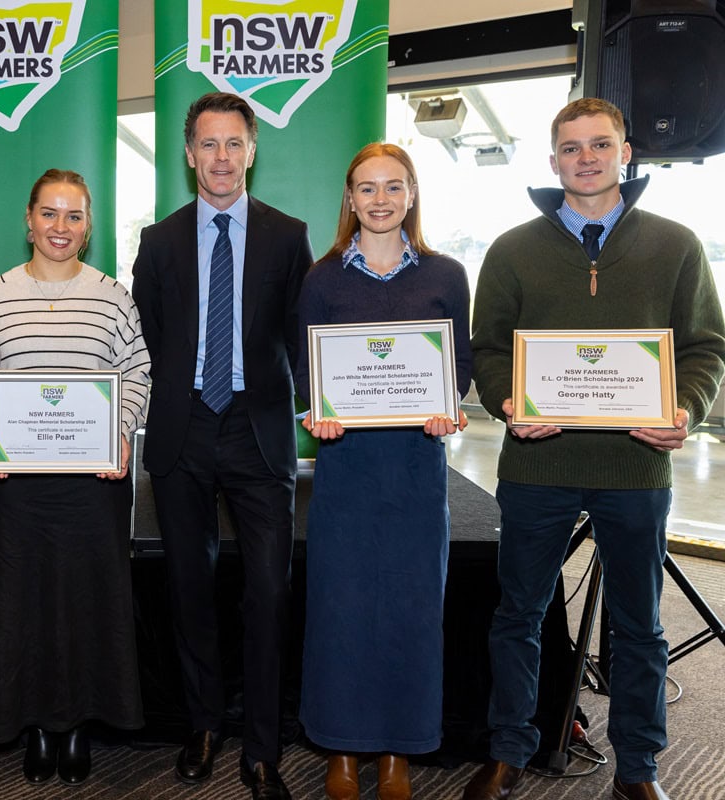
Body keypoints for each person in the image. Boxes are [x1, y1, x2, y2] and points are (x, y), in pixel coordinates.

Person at [463, 98, 725, 800]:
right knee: (518, 617)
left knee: (639, 625)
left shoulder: (676, 244)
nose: (586, 158)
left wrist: (686, 408)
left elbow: (705, 347)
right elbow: (487, 348)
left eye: (599, 144)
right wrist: (507, 401)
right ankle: (510, 750)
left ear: (625, 152)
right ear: (553, 161)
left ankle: (638, 768)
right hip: (536, 468)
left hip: (636, 467)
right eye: (571, 147)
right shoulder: (512, 249)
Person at [132, 91, 313, 800]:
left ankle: (262, 749)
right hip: (183, 432)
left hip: (259, 432)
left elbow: (300, 339)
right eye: (208, 144)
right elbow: (148, 336)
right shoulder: (159, 240)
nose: (221, 158)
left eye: (234, 143)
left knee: (269, 592)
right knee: (190, 588)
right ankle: (203, 726)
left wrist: (319, 405)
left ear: (252, 150)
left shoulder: (287, 236)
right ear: (188, 153)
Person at [0, 168, 151, 785]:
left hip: (93, 482)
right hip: (17, 485)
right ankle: (35, 724)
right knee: (23, 602)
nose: (60, 227)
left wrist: (120, 431)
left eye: (73, 216)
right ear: (28, 219)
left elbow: (138, 373)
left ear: (88, 225)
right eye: (49, 214)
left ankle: (79, 724)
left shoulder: (114, 297)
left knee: (89, 601)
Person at [294, 143, 471, 800]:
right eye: (366, 189)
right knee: (342, 610)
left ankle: (399, 748)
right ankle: (342, 747)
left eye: (392, 187)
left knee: (411, 610)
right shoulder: (322, 279)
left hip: (417, 470)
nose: (379, 200)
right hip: (348, 470)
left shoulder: (447, 275)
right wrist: (318, 411)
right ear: (349, 199)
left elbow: (459, 367)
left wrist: (446, 406)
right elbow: (305, 370)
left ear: (412, 193)